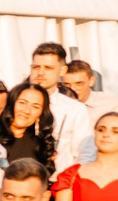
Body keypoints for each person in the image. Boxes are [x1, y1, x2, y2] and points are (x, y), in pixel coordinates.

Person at [23, 43, 98, 174]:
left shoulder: (74, 109)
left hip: (58, 183)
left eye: (48, 68)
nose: (40, 72)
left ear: (62, 71)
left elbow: (85, 154)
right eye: (36, 67)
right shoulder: (15, 103)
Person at [0, 83, 55, 167]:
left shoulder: (40, 145)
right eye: (22, 103)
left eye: (35, 107)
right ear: (11, 103)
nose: (27, 111)